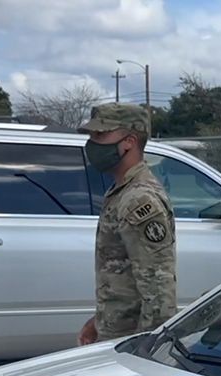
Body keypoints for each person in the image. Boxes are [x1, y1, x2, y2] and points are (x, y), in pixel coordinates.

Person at [76, 103, 178, 346]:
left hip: (129, 346)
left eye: (100, 135)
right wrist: (99, 323)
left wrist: (145, 350)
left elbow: (158, 289)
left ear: (129, 142)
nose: (93, 144)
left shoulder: (139, 199)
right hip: (115, 337)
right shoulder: (122, 191)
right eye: (91, 136)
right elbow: (122, 277)